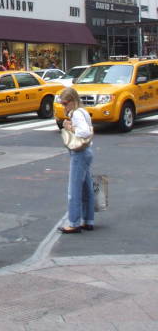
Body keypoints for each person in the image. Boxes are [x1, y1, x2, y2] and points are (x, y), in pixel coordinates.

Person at [58, 86, 94, 234]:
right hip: (87, 152)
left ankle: (74, 222)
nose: (64, 106)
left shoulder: (76, 114)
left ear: (73, 101)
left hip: (80, 153)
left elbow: (84, 131)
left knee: (74, 189)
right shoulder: (83, 112)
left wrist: (70, 128)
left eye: (65, 103)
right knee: (86, 188)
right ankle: (88, 220)